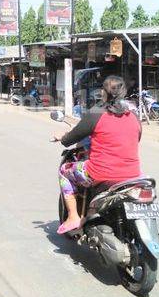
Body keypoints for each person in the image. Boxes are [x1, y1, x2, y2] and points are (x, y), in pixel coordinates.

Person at [52, 75, 142, 234]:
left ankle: (73, 216)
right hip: (133, 176)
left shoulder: (96, 113)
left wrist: (63, 137)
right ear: (123, 92)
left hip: (99, 173)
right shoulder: (134, 115)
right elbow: (137, 138)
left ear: (103, 92)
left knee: (64, 171)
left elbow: (70, 139)